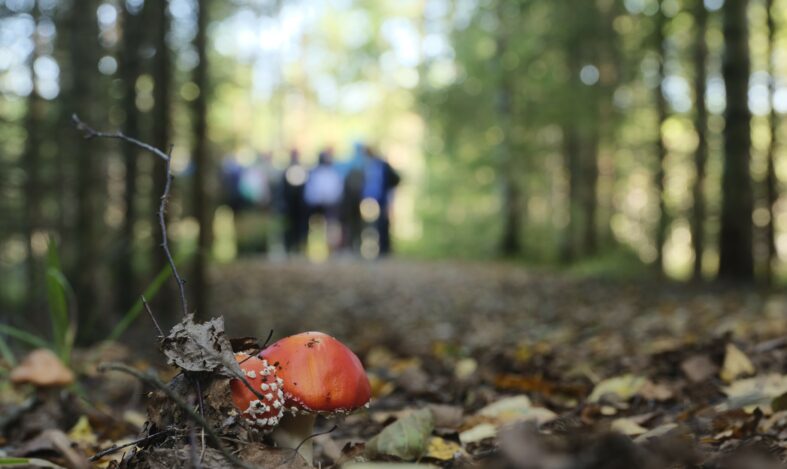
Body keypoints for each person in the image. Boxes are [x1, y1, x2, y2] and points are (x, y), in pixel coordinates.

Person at [303, 148, 344, 252]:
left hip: (331, 204)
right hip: (317, 205)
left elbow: (337, 189)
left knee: (332, 226)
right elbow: (310, 190)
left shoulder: (333, 173)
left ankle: (332, 248)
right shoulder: (315, 173)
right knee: (316, 226)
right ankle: (315, 248)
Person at [362, 146, 400, 256]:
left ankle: (384, 248)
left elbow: (395, 179)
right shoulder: (368, 165)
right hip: (370, 199)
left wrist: (388, 192)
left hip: (382, 199)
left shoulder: (381, 165)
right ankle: (377, 249)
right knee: (372, 225)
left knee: (383, 223)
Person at [279, 149, 308, 254]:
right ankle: (289, 246)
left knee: (299, 226)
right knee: (289, 226)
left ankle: (298, 246)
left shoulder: (301, 170)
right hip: (290, 205)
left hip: (299, 206)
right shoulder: (287, 171)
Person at [339, 142, 367, 253]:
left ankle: (352, 246)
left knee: (353, 223)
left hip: (353, 200)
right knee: (355, 223)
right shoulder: (363, 163)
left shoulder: (351, 163)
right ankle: (353, 246)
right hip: (356, 199)